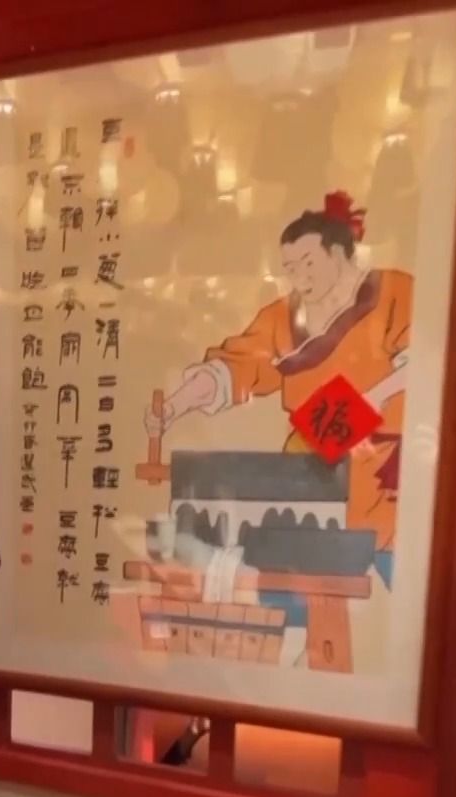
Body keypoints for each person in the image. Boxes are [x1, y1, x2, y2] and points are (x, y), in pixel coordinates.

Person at [144, 192, 410, 587]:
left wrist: (372, 398)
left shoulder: (392, 292)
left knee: (394, 580)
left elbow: (424, 362)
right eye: (290, 268)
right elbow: (237, 366)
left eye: (309, 263)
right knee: (291, 584)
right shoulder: (280, 317)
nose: (300, 277)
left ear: (338, 253)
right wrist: (175, 405)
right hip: (311, 472)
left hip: (382, 465)